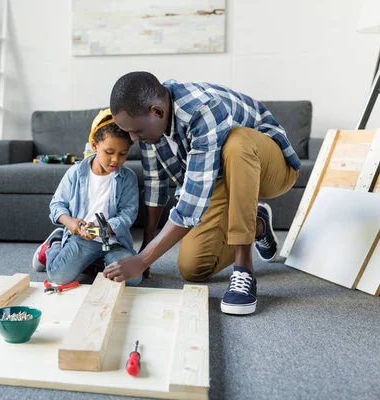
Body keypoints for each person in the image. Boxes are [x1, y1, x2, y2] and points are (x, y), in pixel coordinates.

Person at [102, 72, 300, 315]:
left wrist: (143, 259)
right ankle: (257, 225)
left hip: (270, 167)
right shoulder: (148, 128)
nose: (133, 138)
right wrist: (144, 250)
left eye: (136, 131)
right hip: (219, 179)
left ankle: (244, 268)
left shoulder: (202, 109)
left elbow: (191, 204)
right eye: (129, 132)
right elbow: (156, 185)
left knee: (237, 143)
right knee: (192, 267)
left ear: (157, 112)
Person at [32, 109, 142, 287]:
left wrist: (104, 228)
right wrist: (71, 223)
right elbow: (57, 204)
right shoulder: (75, 173)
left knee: (133, 279)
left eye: (123, 154)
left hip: (113, 241)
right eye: (109, 152)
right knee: (58, 277)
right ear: (94, 145)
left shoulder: (127, 178)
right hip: (82, 238)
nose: (115, 160)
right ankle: (55, 244)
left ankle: (91, 263)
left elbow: (128, 214)